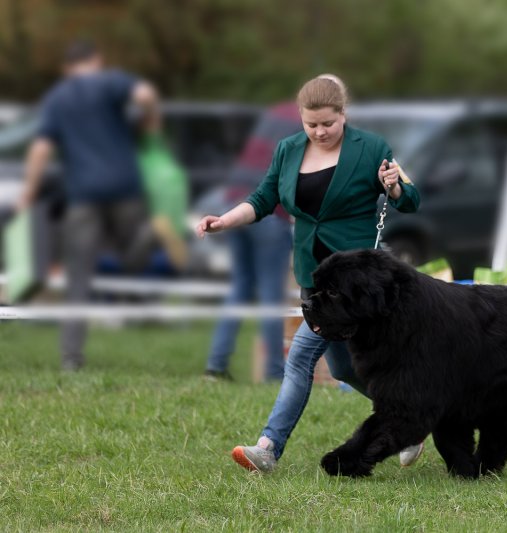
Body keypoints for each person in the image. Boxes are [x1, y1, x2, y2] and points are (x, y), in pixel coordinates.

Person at [195, 75, 424, 472]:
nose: (319, 132)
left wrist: (396, 187)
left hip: (352, 285)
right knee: (342, 368)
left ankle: (267, 447)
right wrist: (225, 221)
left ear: (343, 114)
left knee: (299, 358)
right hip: (312, 276)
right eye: (311, 124)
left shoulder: (371, 148)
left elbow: (412, 200)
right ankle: (412, 419)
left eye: (328, 124)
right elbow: (263, 198)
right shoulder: (288, 150)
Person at [16, 40, 160, 371]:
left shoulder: (57, 97)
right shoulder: (111, 81)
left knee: (78, 277)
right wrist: (150, 119)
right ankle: (143, 238)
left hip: (82, 196)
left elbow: (40, 148)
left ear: (67, 68)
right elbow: (145, 95)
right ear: (96, 60)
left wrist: (28, 191)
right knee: (132, 256)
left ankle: (71, 357)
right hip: (125, 188)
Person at [203, 102, 299, 382]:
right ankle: (273, 372)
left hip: (234, 199)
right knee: (271, 294)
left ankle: (215, 366)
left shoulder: (278, 112)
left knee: (241, 286)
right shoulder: (314, 124)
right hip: (265, 210)